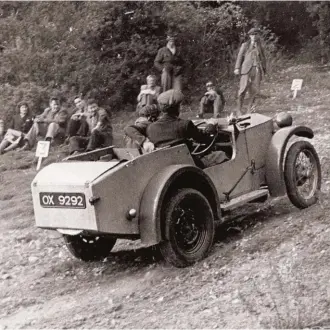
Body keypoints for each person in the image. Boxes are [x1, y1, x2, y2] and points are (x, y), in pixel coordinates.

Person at [146, 90, 228, 168]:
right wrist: (211, 125)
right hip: (189, 164)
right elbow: (205, 139)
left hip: (166, 167)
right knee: (221, 155)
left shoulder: (151, 128)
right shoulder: (185, 124)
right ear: (177, 108)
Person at [234, 27, 267, 116]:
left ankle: (249, 110)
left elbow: (263, 58)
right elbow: (240, 57)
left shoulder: (260, 46)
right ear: (250, 36)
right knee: (242, 89)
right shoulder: (245, 45)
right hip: (246, 70)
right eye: (252, 35)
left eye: (256, 34)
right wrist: (237, 68)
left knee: (254, 91)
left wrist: (264, 69)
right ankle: (239, 110)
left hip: (257, 70)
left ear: (258, 35)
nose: (254, 37)